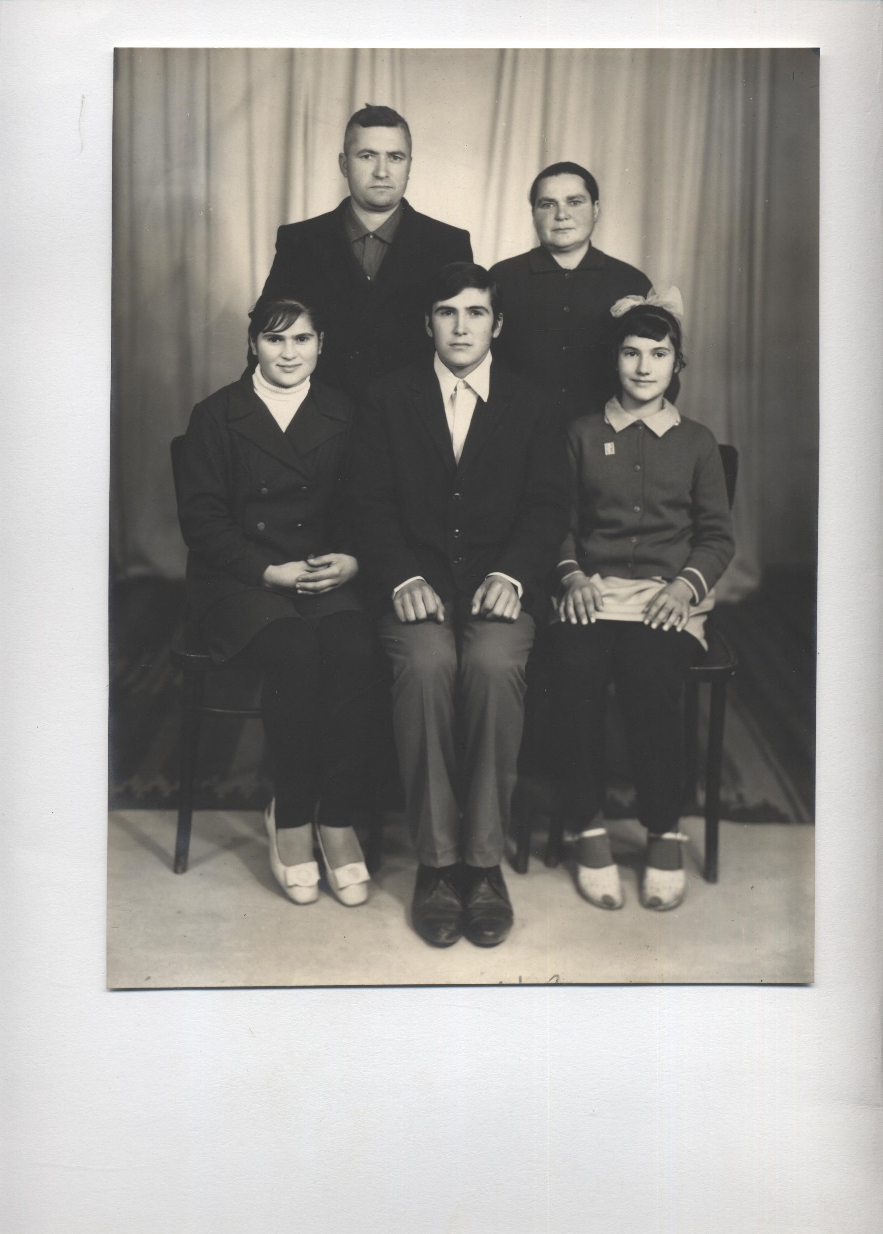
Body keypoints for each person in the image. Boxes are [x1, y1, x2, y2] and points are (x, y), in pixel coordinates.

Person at [349, 262, 570, 948]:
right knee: (425, 667)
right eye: (447, 312)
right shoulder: (387, 398)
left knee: (494, 666)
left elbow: (548, 506)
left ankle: (483, 864)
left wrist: (514, 573)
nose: (461, 326)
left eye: (476, 313)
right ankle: (438, 864)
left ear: (497, 324)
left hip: (498, 583)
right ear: (428, 323)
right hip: (413, 584)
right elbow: (367, 504)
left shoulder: (533, 403)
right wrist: (399, 577)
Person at [176, 295, 376, 908]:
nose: (289, 353)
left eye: (302, 339)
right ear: (253, 345)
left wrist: (352, 559)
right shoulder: (216, 415)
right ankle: (289, 816)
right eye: (275, 339)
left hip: (318, 572)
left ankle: (335, 818)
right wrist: (268, 571)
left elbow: (366, 506)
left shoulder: (343, 412)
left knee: (354, 650)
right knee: (293, 650)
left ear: (321, 345)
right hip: (239, 577)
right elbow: (203, 524)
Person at [549, 290, 734, 911]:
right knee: (574, 671)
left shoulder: (698, 442)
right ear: (615, 360)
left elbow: (717, 537)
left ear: (678, 363)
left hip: (666, 598)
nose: (644, 366)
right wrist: (572, 577)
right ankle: (588, 826)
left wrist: (684, 587)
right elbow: (558, 524)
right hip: (592, 593)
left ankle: (663, 827)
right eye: (631, 353)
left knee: (649, 676)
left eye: (658, 354)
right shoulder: (580, 434)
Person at [260, 104, 473, 398]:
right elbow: (267, 331)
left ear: (409, 165)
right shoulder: (299, 240)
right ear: (344, 164)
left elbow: (465, 346)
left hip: (414, 413)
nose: (382, 171)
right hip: (318, 413)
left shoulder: (449, 243)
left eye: (395, 157)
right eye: (367, 156)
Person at [490, 161, 653, 421]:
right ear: (533, 213)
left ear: (596, 209)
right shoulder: (502, 277)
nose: (561, 215)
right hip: (518, 431)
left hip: (608, 433)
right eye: (547, 204)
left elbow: (658, 371)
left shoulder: (631, 281)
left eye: (574, 202)